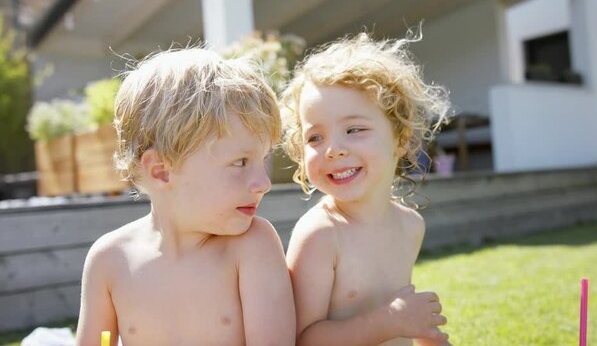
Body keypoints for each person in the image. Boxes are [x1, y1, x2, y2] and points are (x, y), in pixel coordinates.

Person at [75, 48, 296, 346]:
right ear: (162, 171)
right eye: (241, 162)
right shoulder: (110, 261)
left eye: (263, 160)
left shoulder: (252, 248)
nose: (263, 183)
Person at [281, 32, 451, 346]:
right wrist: (390, 320)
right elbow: (303, 339)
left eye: (354, 129)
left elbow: (402, 321)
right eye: (314, 137)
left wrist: (425, 332)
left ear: (400, 139)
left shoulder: (410, 225)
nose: (332, 149)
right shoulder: (320, 235)